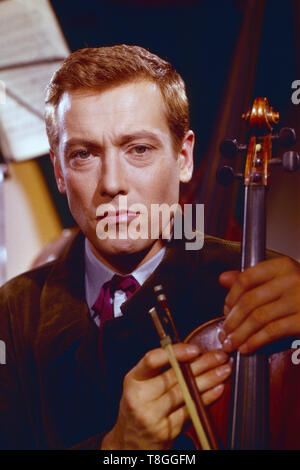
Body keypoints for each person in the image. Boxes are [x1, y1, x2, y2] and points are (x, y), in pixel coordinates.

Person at [0, 44, 299, 450]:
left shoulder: (267, 286)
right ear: (59, 172)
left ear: (184, 158)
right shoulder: (11, 313)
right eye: (84, 154)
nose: (111, 183)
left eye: (138, 149)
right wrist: (116, 450)